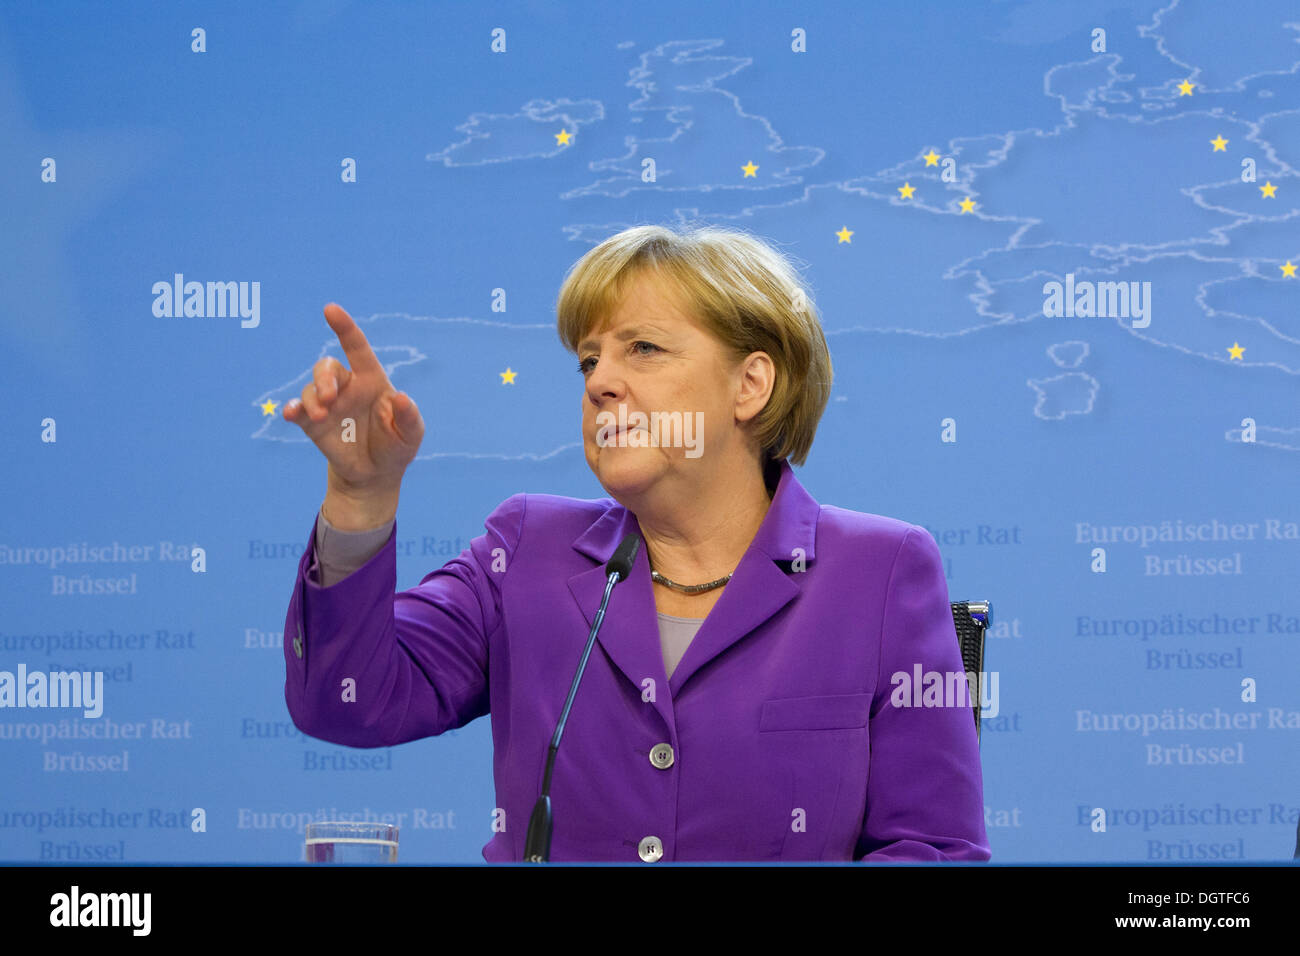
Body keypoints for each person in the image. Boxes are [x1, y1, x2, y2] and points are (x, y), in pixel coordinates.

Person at [281, 224, 990, 862]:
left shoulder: (880, 571)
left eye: (642, 349)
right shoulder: (525, 551)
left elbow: (934, 849)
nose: (601, 384)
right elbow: (346, 703)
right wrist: (361, 496)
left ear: (750, 384)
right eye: (589, 361)